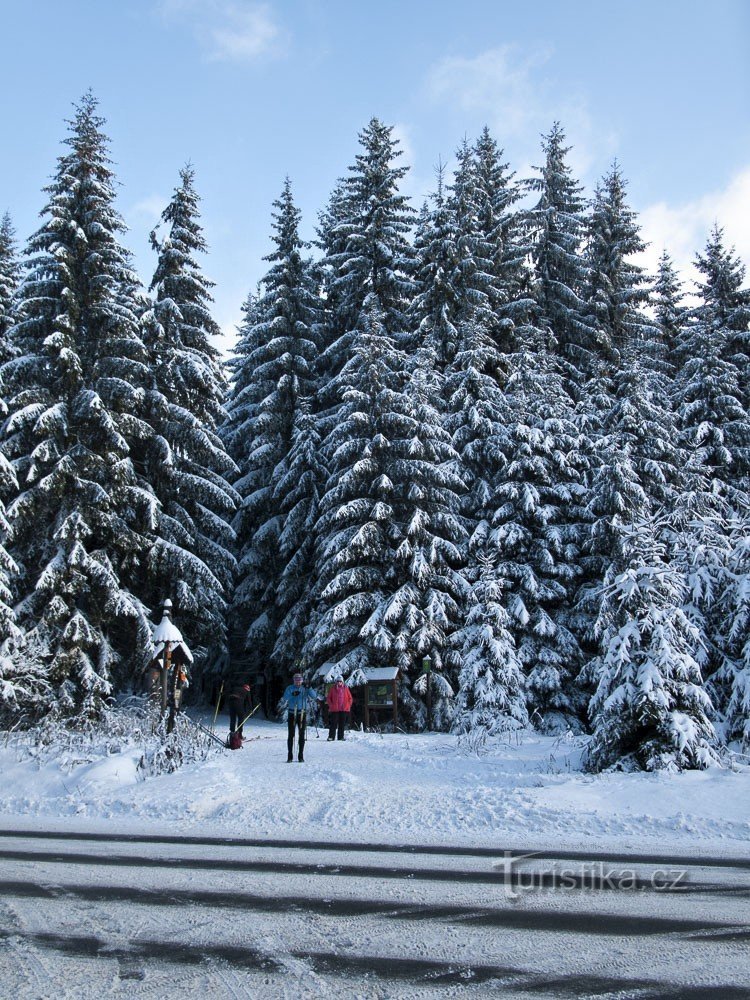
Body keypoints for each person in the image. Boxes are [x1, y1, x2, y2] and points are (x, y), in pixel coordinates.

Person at [280, 672, 317, 762]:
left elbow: (314, 696)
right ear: (294, 681)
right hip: (292, 713)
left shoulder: (304, 688)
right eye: (296, 680)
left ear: (302, 681)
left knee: (301, 734)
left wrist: (310, 688)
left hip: (302, 713)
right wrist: (292, 694)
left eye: (299, 680)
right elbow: (285, 698)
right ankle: (290, 756)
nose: (298, 682)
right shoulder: (290, 688)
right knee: (291, 735)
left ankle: (301, 755)